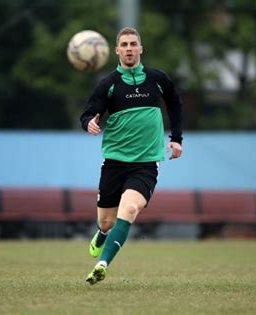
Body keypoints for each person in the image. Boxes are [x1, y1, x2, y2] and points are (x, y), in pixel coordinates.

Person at [80, 26, 183, 285]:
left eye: (132, 44)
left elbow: (175, 103)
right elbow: (88, 113)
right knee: (106, 221)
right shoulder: (108, 84)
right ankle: (103, 233)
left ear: (140, 48)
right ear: (116, 50)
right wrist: (89, 123)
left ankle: (102, 264)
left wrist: (176, 139)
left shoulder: (156, 79)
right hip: (114, 163)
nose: (128, 48)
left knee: (130, 208)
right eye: (124, 44)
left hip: (146, 164)